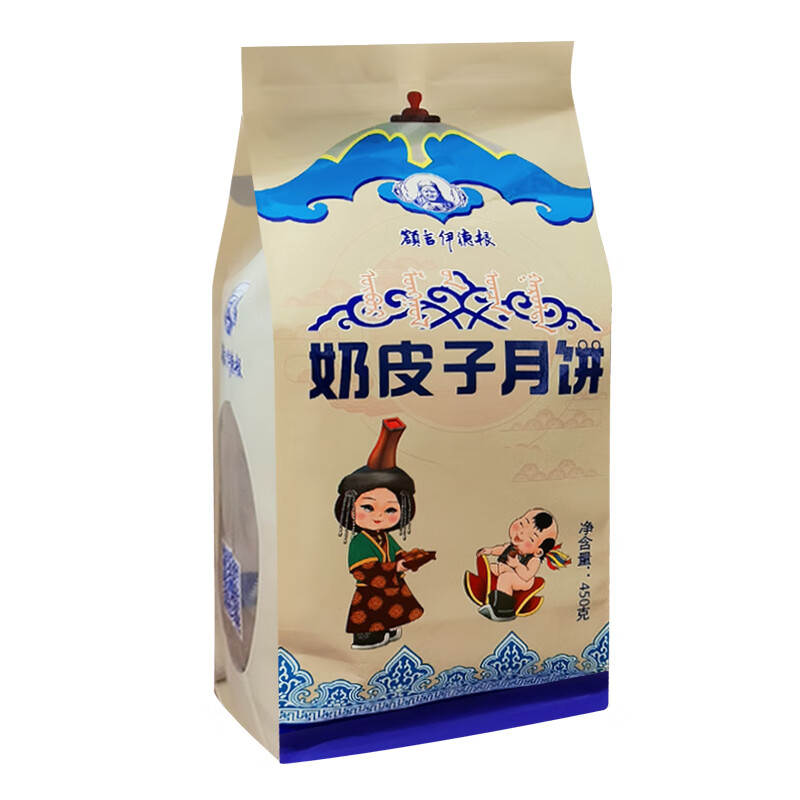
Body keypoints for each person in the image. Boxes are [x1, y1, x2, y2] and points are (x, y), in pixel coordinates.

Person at [335, 418, 433, 649]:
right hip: (370, 590)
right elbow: (362, 569)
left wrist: (409, 558)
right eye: (368, 507)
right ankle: (369, 637)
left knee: (390, 609)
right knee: (369, 616)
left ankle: (387, 630)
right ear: (351, 509)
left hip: (388, 585)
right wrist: (396, 567)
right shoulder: (360, 541)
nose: (378, 516)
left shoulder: (385, 538)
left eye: (390, 510)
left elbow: (396, 554)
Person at [473, 508, 570, 621]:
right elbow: (501, 549)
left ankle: (503, 610)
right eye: (521, 524)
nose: (521, 533)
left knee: (506, 579)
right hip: (505, 569)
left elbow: (527, 575)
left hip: (522, 580)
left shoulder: (534, 559)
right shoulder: (512, 546)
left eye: (531, 538)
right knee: (491, 568)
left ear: (538, 551)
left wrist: (517, 565)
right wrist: (490, 551)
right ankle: (488, 596)